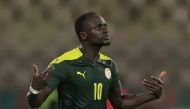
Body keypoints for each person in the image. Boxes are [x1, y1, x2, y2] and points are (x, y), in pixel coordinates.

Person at [27, 11, 166, 109]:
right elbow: (35, 103)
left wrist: (153, 95)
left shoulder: (109, 64)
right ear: (83, 35)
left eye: (105, 26)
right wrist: (34, 89)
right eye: (99, 27)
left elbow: (119, 103)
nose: (105, 30)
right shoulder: (63, 64)